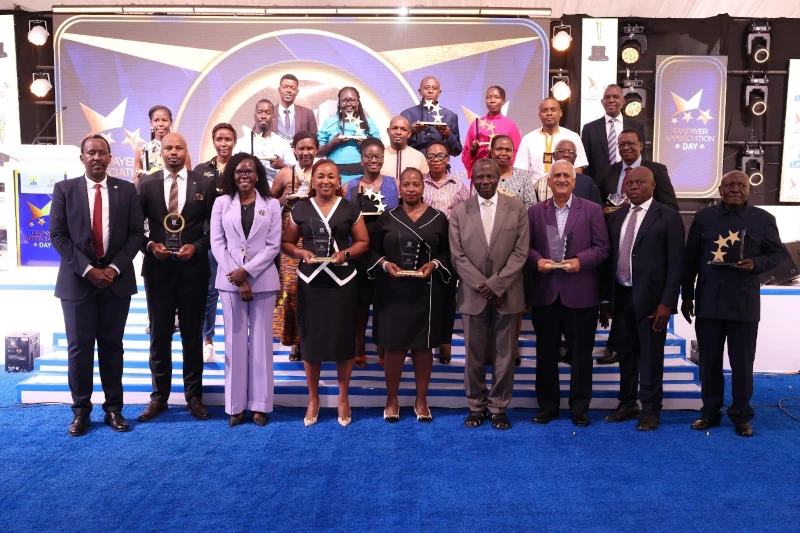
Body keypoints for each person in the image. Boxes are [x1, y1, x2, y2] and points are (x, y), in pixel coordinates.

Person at [50, 135, 145, 436]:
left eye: (103, 153)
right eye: (91, 152)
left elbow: (135, 236)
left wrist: (114, 268)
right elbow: (58, 236)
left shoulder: (127, 191)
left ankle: (114, 410)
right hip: (77, 282)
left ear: (110, 157)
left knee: (112, 347)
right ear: (82, 157)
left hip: (116, 282)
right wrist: (89, 269)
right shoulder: (65, 190)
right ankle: (80, 412)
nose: (97, 157)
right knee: (79, 349)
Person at [682, 171, 788, 437]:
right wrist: (686, 296)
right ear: (720, 189)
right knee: (708, 363)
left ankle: (741, 416)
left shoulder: (763, 220)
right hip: (708, 302)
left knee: (742, 365)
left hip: (743, 303)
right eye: (729, 185)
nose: (735, 189)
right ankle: (710, 413)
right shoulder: (704, 219)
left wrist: (756, 264)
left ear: (748, 190)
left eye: (740, 185)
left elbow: (778, 254)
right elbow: (690, 259)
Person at [281, 160, 370, 426]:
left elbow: (364, 242)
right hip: (311, 282)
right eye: (320, 176)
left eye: (331, 176)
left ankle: (344, 397)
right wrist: (300, 252)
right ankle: (313, 398)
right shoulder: (301, 208)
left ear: (338, 179)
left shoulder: (350, 208)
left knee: (344, 339)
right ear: (313, 180)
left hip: (343, 282)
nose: (326, 181)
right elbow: (286, 244)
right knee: (311, 341)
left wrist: (346, 253)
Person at [136, 133, 216, 422]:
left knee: (192, 335)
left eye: (178, 148)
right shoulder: (146, 183)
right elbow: (135, 227)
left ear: (186, 151)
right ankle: (159, 397)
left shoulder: (204, 184)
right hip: (157, 270)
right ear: (161, 152)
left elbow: (214, 230)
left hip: (193, 269)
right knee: (159, 335)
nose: (173, 152)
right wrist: (149, 245)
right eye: (168, 148)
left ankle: (194, 396)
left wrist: (196, 247)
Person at [599, 167, 685, 431]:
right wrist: (605, 301)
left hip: (652, 301)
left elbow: (676, 264)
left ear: (653, 184)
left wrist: (667, 303)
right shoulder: (616, 217)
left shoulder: (668, 217)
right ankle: (627, 403)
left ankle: (650, 408)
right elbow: (609, 262)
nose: (634, 186)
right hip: (622, 297)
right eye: (629, 182)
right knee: (626, 355)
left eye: (640, 182)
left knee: (650, 356)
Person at [527, 160, 609, 427]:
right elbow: (525, 247)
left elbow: (602, 248)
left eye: (566, 176)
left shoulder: (593, 210)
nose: (561, 179)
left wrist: (580, 261)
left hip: (581, 294)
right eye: (556, 176)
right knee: (546, 354)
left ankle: (580, 408)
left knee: (582, 355)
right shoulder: (535, 212)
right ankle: (548, 406)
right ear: (549, 182)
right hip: (546, 294)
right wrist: (536, 259)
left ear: (575, 182)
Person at [368, 168, 453, 422]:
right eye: (406, 185)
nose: (412, 189)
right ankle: (391, 399)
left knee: (423, 347)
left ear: (423, 187)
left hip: (426, 293)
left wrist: (434, 265)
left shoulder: (438, 218)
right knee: (394, 347)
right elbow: (371, 252)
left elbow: (448, 252)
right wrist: (385, 264)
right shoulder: (386, 218)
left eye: (416, 184)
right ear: (400, 188)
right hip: (393, 291)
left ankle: (421, 400)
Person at [450, 158, 529, 430]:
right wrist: (484, 286)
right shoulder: (460, 211)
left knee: (504, 355)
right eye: (479, 177)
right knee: (473, 355)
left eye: (490, 177)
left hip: (508, 294)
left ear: (499, 178)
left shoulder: (517, 209)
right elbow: (457, 256)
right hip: (473, 296)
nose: (485, 182)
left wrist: (496, 285)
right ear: (472, 178)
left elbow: (521, 253)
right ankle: (476, 406)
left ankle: (498, 408)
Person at [211, 153, 282, 427]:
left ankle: (261, 405)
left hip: (263, 280)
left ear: (258, 175)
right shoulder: (221, 203)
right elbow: (218, 244)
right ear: (231, 174)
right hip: (230, 281)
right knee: (234, 343)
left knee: (263, 344)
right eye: (239, 171)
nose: (244, 175)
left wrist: (248, 272)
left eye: (250, 171)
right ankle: (235, 406)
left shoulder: (272, 205)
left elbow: (273, 245)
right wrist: (238, 277)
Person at [346, 138, 400, 369]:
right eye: (369, 156)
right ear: (362, 159)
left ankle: (382, 346)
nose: (373, 160)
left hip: (385, 252)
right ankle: (358, 346)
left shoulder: (393, 184)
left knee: (383, 302)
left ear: (383, 158)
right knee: (358, 305)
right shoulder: (349, 186)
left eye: (378, 156)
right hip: (358, 251)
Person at [271, 131, 318, 362]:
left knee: (314, 289)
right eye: (301, 148)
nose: (305, 152)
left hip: (317, 236)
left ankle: (314, 339)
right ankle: (294, 341)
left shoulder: (324, 172)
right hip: (290, 237)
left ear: (317, 150)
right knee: (290, 288)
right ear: (294, 149)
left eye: (310, 148)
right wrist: (283, 200)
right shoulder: (284, 174)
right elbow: (268, 202)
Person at [421, 141, 470, 364]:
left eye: (440, 156)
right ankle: (423, 339)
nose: (436, 160)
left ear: (448, 158)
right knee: (422, 295)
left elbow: (467, 218)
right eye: (431, 157)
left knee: (447, 296)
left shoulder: (460, 187)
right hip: (423, 246)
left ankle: (444, 341)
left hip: (450, 246)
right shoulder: (419, 184)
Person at [194, 122, 237, 363]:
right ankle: (207, 341)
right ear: (213, 141)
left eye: (228, 139)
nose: (223, 143)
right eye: (219, 139)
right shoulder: (201, 170)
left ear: (234, 142)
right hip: (209, 238)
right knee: (210, 292)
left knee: (237, 291)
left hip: (238, 240)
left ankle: (237, 340)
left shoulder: (242, 167)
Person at [597, 129, 679, 212]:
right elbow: (598, 203)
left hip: (647, 223)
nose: (625, 148)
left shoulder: (657, 170)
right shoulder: (608, 172)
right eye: (622, 145)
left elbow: (671, 206)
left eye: (631, 143)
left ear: (641, 145)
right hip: (615, 223)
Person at [581, 84, 647, 179]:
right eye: (607, 97)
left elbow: (642, 157)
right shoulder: (589, 128)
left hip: (630, 182)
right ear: (602, 102)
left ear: (623, 101)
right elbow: (586, 163)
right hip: (599, 186)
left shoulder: (637, 126)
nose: (611, 100)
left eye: (615, 97)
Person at [515, 98, 588, 183]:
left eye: (553, 110)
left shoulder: (573, 137)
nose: (549, 113)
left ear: (560, 113)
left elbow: (578, 168)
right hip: (533, 192)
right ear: (539, 115)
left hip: (564, 189)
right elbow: (520, 171)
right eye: (544, 111)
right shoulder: (528, 139)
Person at [317, 86, 380, 183]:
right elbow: (318, 153)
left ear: (358, 102)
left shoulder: (368, 123)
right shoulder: (329, 122)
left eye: (352, 100)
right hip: (334, 176)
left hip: (362, 175)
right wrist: (332, 144)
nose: (348, 104)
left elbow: (379, 150)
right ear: (339, 103)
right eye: (344, 101)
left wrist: (365, 146)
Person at [233, 99, 296, 188]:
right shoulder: (241, 143)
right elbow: (232, 169)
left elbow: (294, 173)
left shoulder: (282, 143)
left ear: (273, 117)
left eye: (267, 112)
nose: (263, 116)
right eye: (260, 112)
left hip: (275, 192)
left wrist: (282, 166)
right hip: (247, 191)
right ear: (255, 116)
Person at [462, 86, 521, 179]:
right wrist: (472, 151)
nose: (492, 100)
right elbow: (466, 153)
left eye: (497, 97)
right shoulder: (475, 125)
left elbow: (517, 153)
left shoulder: (511, 125)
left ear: (503, 100)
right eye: (489, 97)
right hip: (480, 176)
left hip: (503, 176)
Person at [400, 76, 462, 156]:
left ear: (439, 92)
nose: (430, 91)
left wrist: (448, 136)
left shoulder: (450, 116)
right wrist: (412, 133)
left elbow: (456, 152)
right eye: (427, 88)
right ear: (420, 91)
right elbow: (398, 147)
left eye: (434, 88)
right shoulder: (406, 115)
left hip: (440, 165)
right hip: (413, 165)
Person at [134, 105, 192, 185]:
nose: (160, 124)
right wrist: (141, 177)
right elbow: (135, 180)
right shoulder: (142, 150)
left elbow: (190, 178)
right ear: (151, 123)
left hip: (174, 192)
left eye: (164, 120)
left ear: (171, 122)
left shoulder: (179, 149)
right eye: (156, 120)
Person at [533, 139, 602, 205]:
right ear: (553, 155)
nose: (566, 155)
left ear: (575, 157)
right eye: (561, 151)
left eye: (571, 152)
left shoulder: (587, 183)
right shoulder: (540, 183)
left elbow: (596, 211)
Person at [490, 135, 535, 208]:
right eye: (499, 149)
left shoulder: (523, 177)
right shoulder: (482, 177)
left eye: (508, 150)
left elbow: (531, 206)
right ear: (492, 152)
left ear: (513, 153)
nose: (504, 153)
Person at [269, 74, 318, 140]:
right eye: (285, 87)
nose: (289, 90)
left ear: (297, 92)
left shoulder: (308, 113)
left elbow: (314, 140)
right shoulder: (269, 112)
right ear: (279, 89)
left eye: (293, 88)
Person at [381, 115, 429, 183]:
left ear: (409, 133)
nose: (398, 132)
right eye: (394, 128)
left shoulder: (419, 157)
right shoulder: (379, 156)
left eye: (403, 129)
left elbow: (425, 183)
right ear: (388, 131)